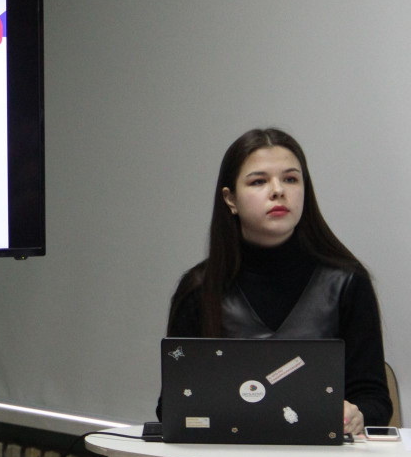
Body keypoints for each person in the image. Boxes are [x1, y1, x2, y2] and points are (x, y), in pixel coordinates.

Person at [160, 128, 391, 435]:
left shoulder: (347, 282)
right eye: (259, 181)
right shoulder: (199, 289)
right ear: (230, 199)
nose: (278, 191)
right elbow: (171, 406)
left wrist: (357, 414)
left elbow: (375, 401)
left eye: (291, 179)